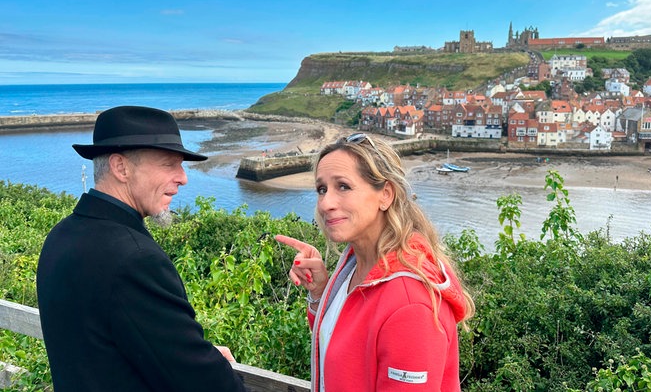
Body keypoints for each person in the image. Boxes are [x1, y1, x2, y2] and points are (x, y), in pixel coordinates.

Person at [36, 106, 245, 392]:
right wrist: (216, 368)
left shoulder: (60, 236)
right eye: (169, 164)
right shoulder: (135, 259)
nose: (183, 177)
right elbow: (210, 385)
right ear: (121, 168)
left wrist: (195, 354)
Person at [275, 133, 475, 391]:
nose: (326, 203)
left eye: (343, 186)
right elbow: (344, 344)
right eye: (321, 189)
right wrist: (321, 293)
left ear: (386, 195)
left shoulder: (410, 304)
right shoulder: (354, 263)